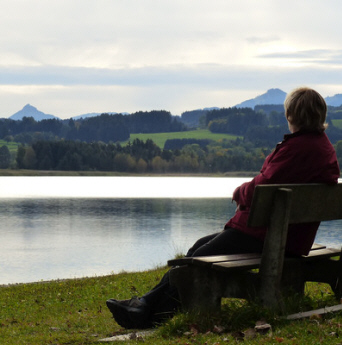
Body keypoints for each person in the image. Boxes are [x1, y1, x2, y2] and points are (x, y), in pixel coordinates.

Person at [106, 87, 340, 329]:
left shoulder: (297, 149)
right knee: (198, 249)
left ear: (291, 116)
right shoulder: (324, 148)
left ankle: (146, 310)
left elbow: (264, 186)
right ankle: (146, 308)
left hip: (269, 237)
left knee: (197, 258)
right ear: (319, 115)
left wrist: (240, 191)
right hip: (289, 236)